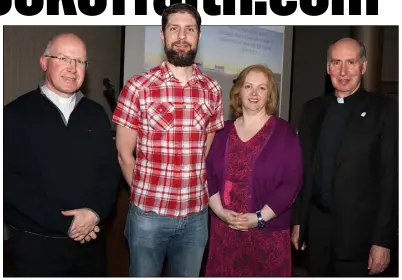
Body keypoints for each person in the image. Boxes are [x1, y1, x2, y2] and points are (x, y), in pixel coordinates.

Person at [112, 3, 224, 277]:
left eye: (190, 29)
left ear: (199, 36)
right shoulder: (138, 87)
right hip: (149, 215)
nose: (182, 36)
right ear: (163, 36)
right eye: (174, 29)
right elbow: (124, 154)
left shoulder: (212, 89)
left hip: (196, 218)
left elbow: (204, 150)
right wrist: (145, 194)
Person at [4, 33, 121, 276]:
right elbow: (10, 183)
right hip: (34, 248)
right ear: (44, 62)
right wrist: (67, 224)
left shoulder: (96, 114)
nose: (72, 68)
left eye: (80, 61)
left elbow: (110, 172)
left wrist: (95, 213)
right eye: (64, 58)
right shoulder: (13, 115)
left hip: (90, 243)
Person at [291, 38, 398, 276]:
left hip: (360, 236)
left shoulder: (385, 112)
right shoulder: (312, 110)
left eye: (351, 62)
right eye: (336, 62)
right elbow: (304, 171)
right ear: (328, 68)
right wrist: (300, 221)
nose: (343, 71)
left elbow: (390, 180)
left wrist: (383, 241)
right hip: (317, 230)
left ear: (363, 66)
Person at [204, 64, 303, 277]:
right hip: (224, 232)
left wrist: (259, 218)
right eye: (248, 86)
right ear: (239, 91)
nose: (254, 93)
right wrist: (221, 213)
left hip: (268, 235)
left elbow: (291, 183)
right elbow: (207, 175)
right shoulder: (221, 131)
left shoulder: (285, 133)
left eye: (261, 88)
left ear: (270, 95)